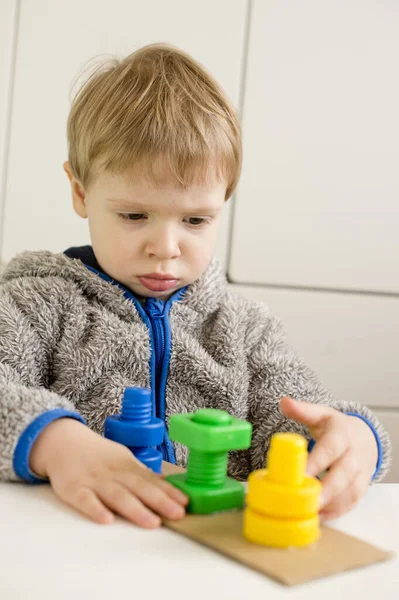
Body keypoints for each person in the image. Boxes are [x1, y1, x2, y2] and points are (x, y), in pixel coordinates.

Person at [0, 43, 391, 529]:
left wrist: (349, 439)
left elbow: (294, 419)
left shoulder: (245, 329)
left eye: (196, 219)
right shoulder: (36, 305)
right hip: (75, 542)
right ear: (81, 192)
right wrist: (54, 442)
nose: (166, 247)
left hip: (207, 556)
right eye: (134, 215)